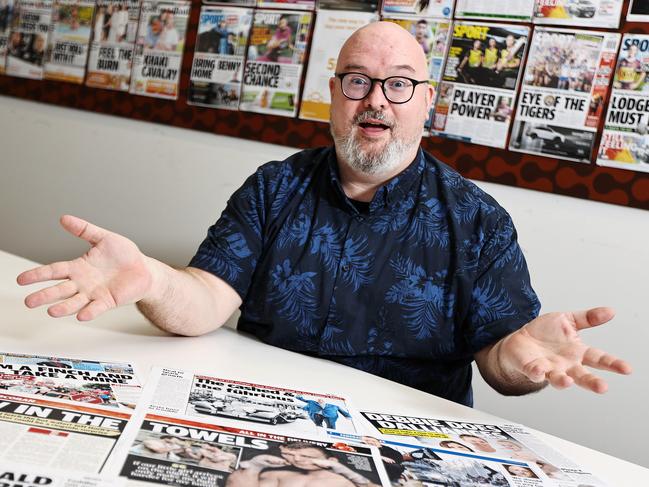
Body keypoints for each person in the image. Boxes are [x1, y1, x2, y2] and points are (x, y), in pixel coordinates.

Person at [16, 22, 631, 408]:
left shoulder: (478, 221)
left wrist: (524, 360)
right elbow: (206, 297)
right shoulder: (274, 186)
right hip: (262, 419)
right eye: (357, 81)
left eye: (398, 84)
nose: (376, 100)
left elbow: (503, 359)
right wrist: (151, 278)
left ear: (425, 103)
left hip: (398, 445)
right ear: (334, 95)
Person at [225, 442, 379, 487]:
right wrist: (254, 466)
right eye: (290, 455)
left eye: (306, 456)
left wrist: (347, 473)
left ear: (331, 461)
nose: (297, 459)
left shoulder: (346, 481)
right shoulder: (277, 475)